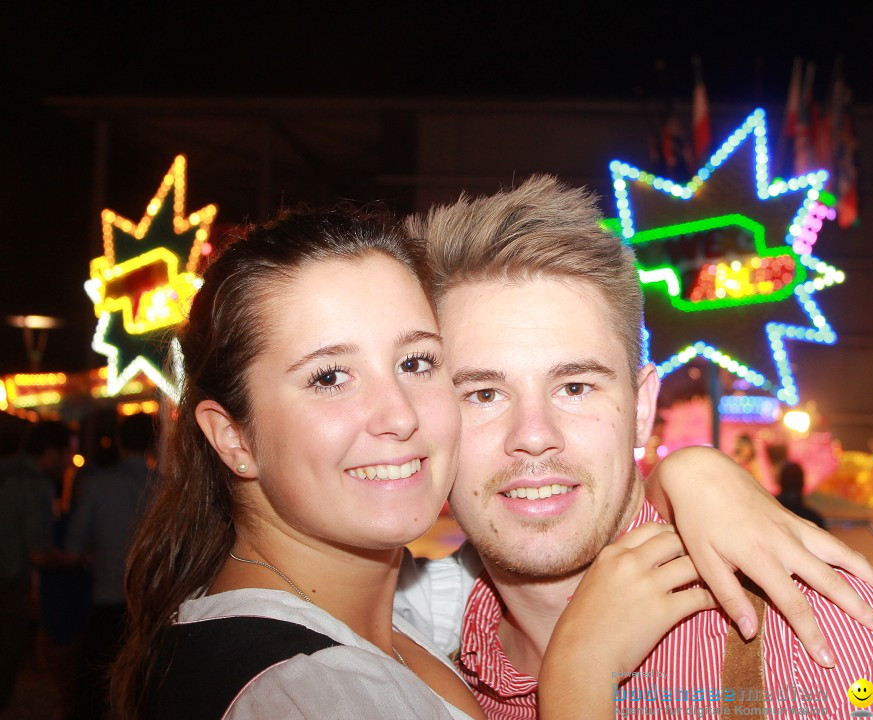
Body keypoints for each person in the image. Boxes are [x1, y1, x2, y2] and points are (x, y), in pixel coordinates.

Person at [109, 206, 717, 720]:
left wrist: (691, 476)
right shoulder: (299, 694)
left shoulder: (399, 608)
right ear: (233, 437)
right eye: (329, 377)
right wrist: (579, 679)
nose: (399, 415)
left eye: (416, 363)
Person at [400, 175, 873, 717]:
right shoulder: (399, 652)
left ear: (642, 409)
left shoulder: (828, 647)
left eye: (575, 387)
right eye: (480, 393)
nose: (533, 436)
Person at [67, 412, 157, 719]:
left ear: (118, 441)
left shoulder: (98, 483)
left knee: (96, 689)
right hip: (150, 602)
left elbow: (75, 541)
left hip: (107, 594)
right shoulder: (165, 486)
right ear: (153, 443)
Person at [0, 420, 74, 710]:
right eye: (68, 452)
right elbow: (38, 553)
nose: (70, 461)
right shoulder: (36, 484)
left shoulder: (5, 470)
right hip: (7, 586)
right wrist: (75, 560)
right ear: (52, 452)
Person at [777, 461, 826, 529]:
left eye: (795, 479)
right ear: (802, 483)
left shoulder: (769, 512)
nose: (792, 482)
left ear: (780, 481)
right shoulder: (813, 519)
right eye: (790, 478)